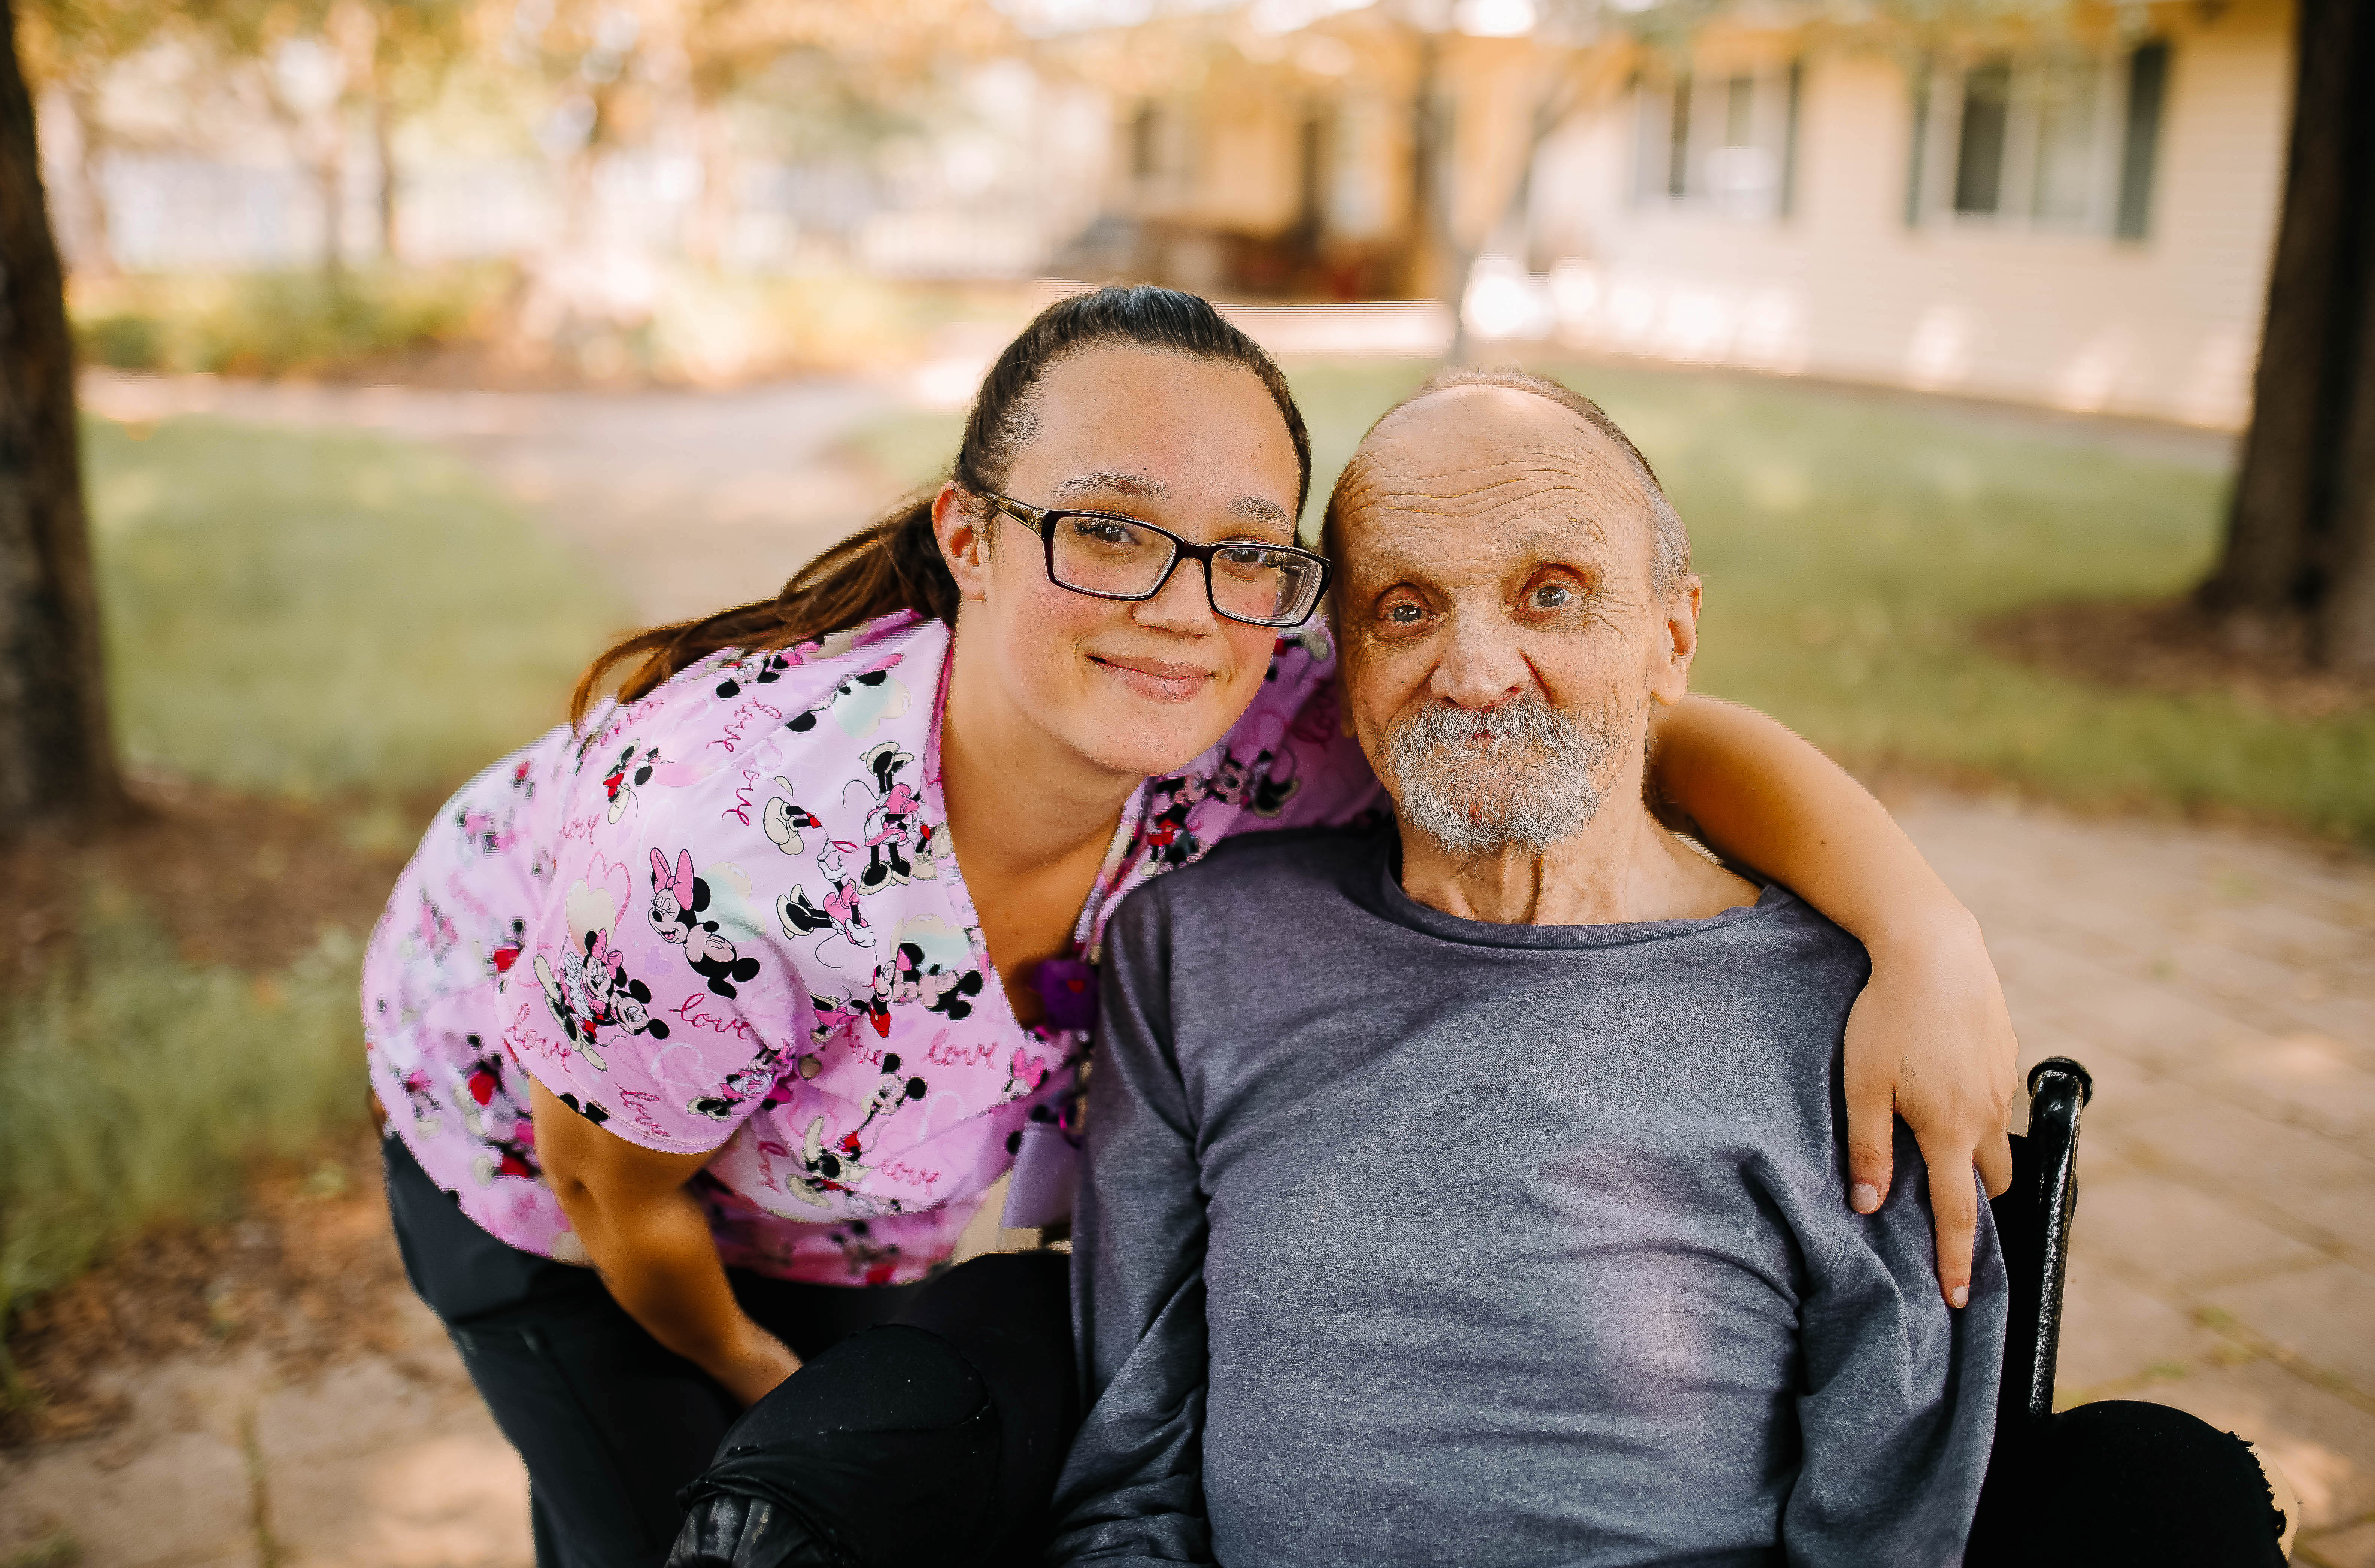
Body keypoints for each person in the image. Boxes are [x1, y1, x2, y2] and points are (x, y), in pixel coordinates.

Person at [365, 287, 2020, 1568]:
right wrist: (755, 1382)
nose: (1178, 602)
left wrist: (1919, 930)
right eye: (1105, 528)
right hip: (558, 1189)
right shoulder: (722, 839)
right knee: (663, 1530)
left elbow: (1620, 730)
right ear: (971, 540)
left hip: (850, 1200)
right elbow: (609, 1184)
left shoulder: (1273, 694)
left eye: (1243, 551)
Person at [1045, 367, 2297, 1567]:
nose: (1476, 672)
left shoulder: (1854, 1012)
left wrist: (1927, 929)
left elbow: (1891, 1517)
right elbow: (1130, 1475)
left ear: (1673, 635)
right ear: (1347, 664)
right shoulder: (1195, 951)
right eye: (1408, 607)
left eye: (1551, 593)